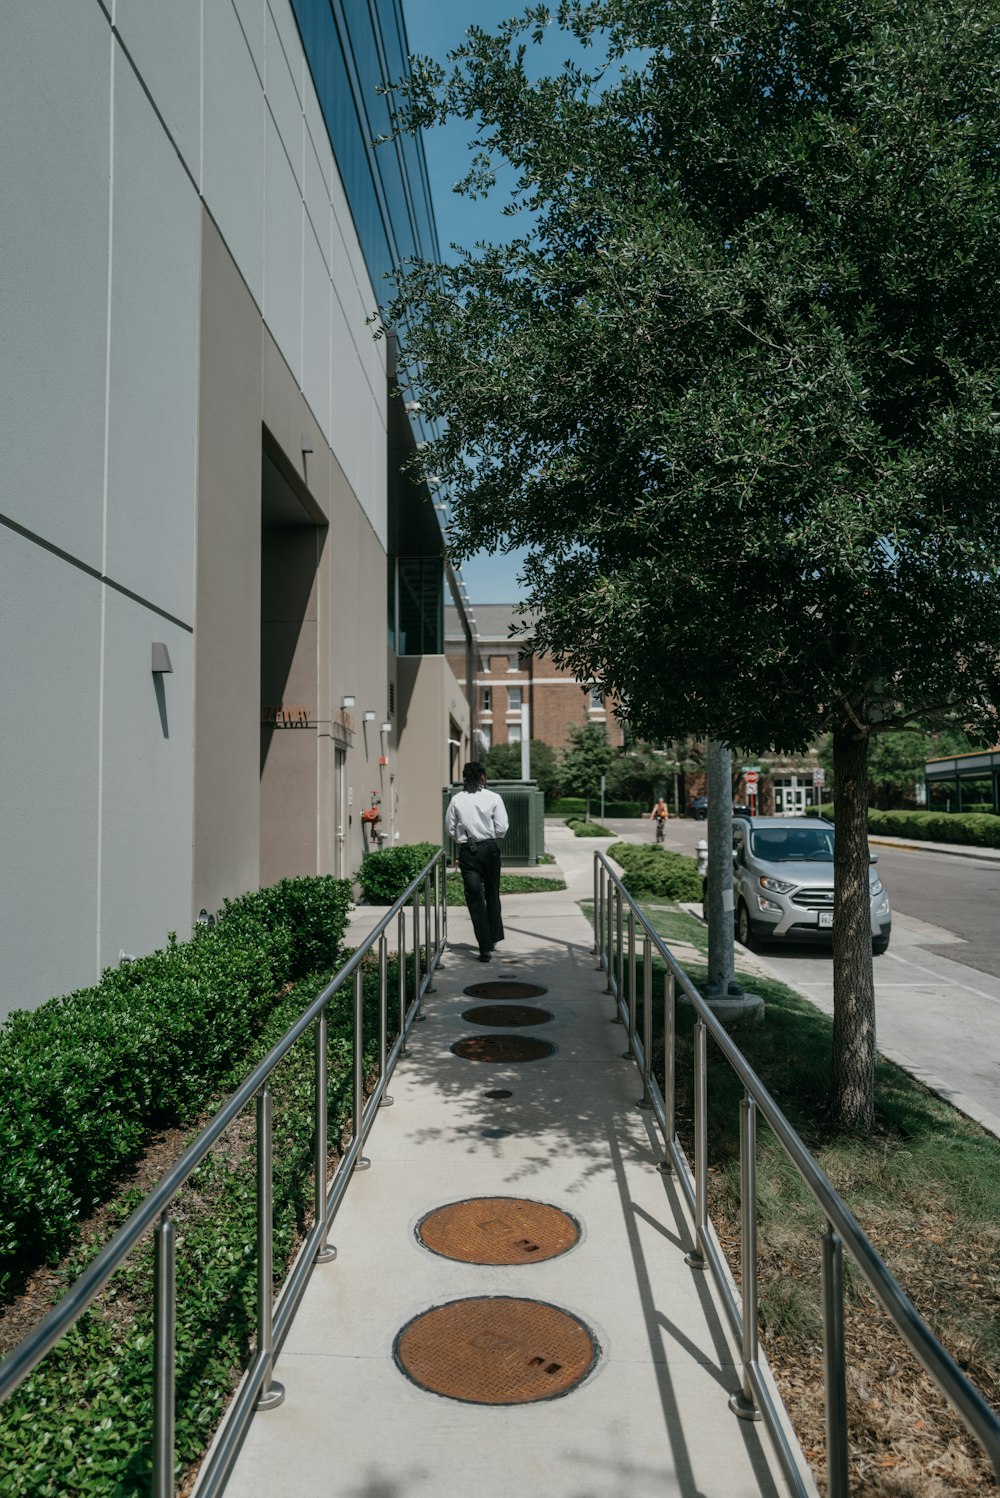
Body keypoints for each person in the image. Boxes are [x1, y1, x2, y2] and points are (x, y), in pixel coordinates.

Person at [445, 761, 509, 962]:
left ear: (465, 777)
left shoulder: (456, 799)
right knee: (492, 893)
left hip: (468, 851)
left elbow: (450, 828)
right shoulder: (494, 797)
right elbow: (502, 828)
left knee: (474, 898)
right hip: (489, 850)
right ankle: (493, 938)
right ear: (482, 777)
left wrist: (462, 839)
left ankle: (484, 947)